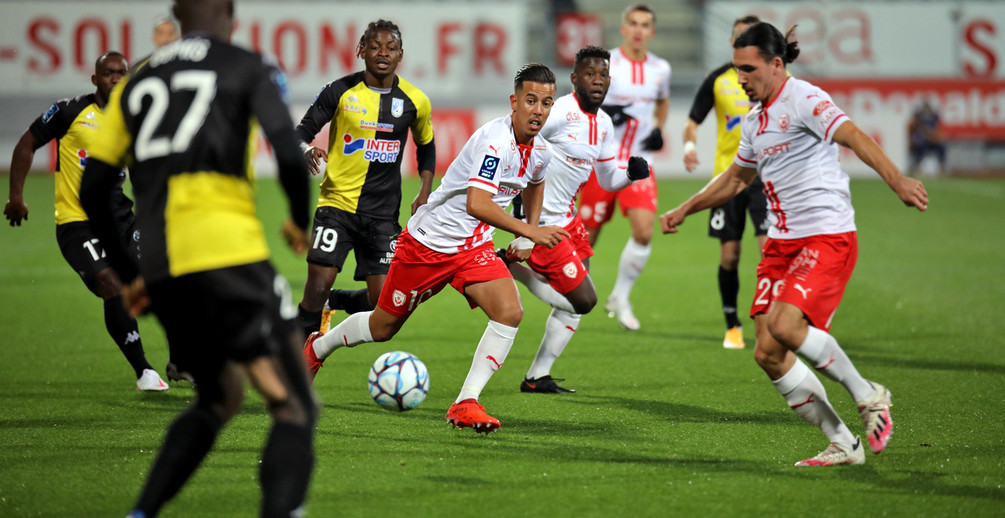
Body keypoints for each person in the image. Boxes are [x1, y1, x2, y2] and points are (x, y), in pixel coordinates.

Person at [79, 0, 318, 515]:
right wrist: (301, 219)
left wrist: (132, 273)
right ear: (231, 16)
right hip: (230, 254)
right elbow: (288, 153)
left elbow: (95, 187)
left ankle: (140, 512)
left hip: (165, 267)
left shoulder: (138, 79)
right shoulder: (244, 64)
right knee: (294, 406)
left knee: (220, 396)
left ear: (177, 15)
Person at [660, 22, 928, 466]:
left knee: (785, 327)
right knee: (767, 352)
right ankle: (843, 442)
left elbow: (854, 136)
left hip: (825, 235)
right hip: (782, 245)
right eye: (736, 69)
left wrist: (896, 180)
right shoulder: (754, 120)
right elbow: (736, 179)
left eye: (748, 69)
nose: (740, 78)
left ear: (776, 64)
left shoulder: (804, 98)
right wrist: (685, 209)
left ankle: (869, 394)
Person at [303, 64, 569, 433]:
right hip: (428, 245)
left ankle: (465, 403)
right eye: (530, 101)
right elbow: (478, 203)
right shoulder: (494, 141)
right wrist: (530, 230)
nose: (538, 110)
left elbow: (535, 181)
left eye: (546, 103)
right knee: (382, 327)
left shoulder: (540, 150)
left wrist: (527, 234)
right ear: (514, 102)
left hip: (472, 247)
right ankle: (317, 348)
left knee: (509, 311)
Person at [4, 51, 168, 392]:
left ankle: (183, 360)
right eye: (109, 73)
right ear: (95, 79)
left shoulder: (133, 118)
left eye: (123, 73)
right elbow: (26, 144)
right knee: (112, 286)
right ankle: (145, 372)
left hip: (122, 219)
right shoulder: (68, 111)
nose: (117, 79)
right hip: (77, 223)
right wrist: (16, 197)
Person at [504, 46, 650, 393]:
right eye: (589, 73)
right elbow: (518, 142)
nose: (597, 80)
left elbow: (607, 179)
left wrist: (629, 174)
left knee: (571, 307)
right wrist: (524, 223)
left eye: (602, 74)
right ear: (574, 79)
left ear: (609, 80)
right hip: (542, 225)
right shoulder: (559, 112)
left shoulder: (603, 125)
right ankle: (513, 267)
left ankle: (537, 377)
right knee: (582, 301)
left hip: (569, 221)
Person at [293, 19, 435, 339]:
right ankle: (301, 362)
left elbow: (426, 147)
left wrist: (424, 191)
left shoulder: (415, 101)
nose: (383, 53)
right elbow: (301, 132)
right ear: (361, 50)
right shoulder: (339, 91)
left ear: (401, 54)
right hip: (337, 205)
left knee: (384, 305)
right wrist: (304, 150)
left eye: (391, 47)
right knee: (316, 285)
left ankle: (337, 300)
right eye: (374, 46)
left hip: (382, 215)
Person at [577, 4, 670, 331]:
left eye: (645, 24)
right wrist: (607, 112)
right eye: (633, 23)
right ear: (623, 28)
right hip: (602, 159)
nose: (638, 30)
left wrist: (658, 127)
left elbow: (662, 100)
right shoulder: (608, 64)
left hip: (639, 161)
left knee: (644, 230)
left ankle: (620, 295)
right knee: (588, 235)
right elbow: (583, 98)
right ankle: (574, 295)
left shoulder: (661, 69)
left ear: (652, 32)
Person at [682, 15, 767, 349]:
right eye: (738, 37)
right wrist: (689, 147)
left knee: (768, 251)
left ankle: (770, 316)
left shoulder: (776, 77)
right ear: (732, 42)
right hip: (726, 178)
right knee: (730, 255)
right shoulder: (718, 79)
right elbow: (692, 121)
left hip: (764, 178)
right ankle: (732, 324)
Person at [907, 99, 946, 175]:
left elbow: (938, 129)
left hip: (931, 139)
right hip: (921, 139)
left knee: (942, 146)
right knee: (920, 146)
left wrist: (934, 137)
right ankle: (916, 166)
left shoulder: (934, 116)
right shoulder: (918, 116)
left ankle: (942, 166)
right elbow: (912, 127)